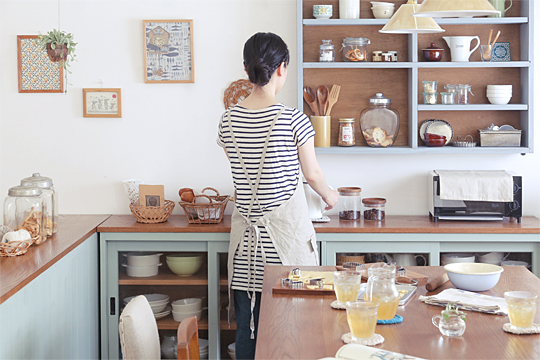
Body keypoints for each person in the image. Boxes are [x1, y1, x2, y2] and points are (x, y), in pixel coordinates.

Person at [217, 32, 339, 360]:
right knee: (294, 332)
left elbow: (243, 172)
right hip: (286, 251)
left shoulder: (227, 121)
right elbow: (312, 175)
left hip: (246, 250)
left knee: (248, 330)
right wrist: (330, 195)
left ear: (247, 70)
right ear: (282, 68)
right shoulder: (294, 119)